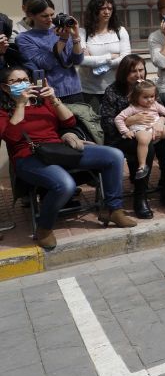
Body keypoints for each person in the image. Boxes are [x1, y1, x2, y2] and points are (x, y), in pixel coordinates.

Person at [1, 66, 136, 249]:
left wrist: (53, 99)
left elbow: (69, 122)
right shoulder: (4, 111)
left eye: (25, 79)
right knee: (65, 184)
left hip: (57, 150)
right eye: (16, 81)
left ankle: (114, 209)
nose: (23, 84)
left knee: (114, 155)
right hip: (28, 157)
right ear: (5, 88)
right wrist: (20, 104)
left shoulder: (42, 102)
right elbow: (11, 137)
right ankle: (44, 228)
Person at [100, 54, 165, 216]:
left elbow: (161, 109)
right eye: (133, 71)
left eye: (141, 70)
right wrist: (130, 121)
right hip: (123, 136)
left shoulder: (148, 86)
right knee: (146, 144)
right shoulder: (113, 91)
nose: (138, 75)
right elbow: (107, 123)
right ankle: (140, 196)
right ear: (123, 73)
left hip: (151, 129)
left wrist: (161, 121)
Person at [16, 0, 84, 103]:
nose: (50, 19)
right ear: (31, 15)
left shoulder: (61, 30)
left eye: (52, 15)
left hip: (74, 90)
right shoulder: (24, 38)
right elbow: (45, 64)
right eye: (44, 16)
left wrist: (75, 37)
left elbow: (77, 60)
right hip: (48, 93)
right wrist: (62, 40)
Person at [115, 79, 165, 180]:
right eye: (145, 97)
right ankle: (142, 165)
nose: (150, 100)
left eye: (152, 96)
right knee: (144, 139)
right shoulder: (133, 108)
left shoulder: (155, 105)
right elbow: (118, 118)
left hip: (157, 128)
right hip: (142, 129)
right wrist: (125, 131)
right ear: (136, 97)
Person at [77, 0, 131, 110]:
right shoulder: (82, 33)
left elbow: (126, 59)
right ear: (94, 10)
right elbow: (82, 60)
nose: (107, 12)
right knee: (94, 124)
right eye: (103, 8)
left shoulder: (120, 31)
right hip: (89, 90)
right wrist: (110, 56)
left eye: (110, 8)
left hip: (116, 87)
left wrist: (100, 63)